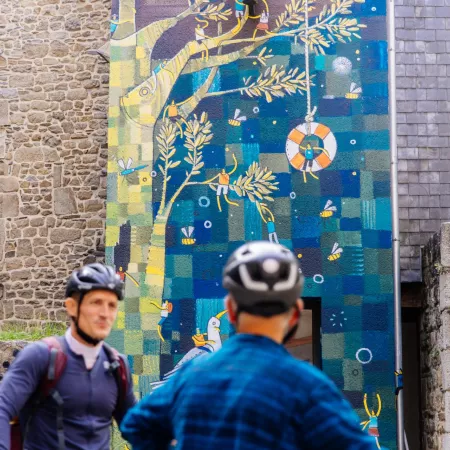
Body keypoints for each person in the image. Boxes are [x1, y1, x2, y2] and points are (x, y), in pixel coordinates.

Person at [120, 242, 377, 449]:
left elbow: (136, 425)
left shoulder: (191, 376)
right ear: (296, 314)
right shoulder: (308, 387)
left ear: (231, 309)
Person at [0, 263, 137, 450]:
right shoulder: (40, 357)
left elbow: (138, 428)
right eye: (96, 303)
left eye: (112, 305)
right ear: (71, 307)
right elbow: (3, 407)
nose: (105, 314)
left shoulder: (117, 366)